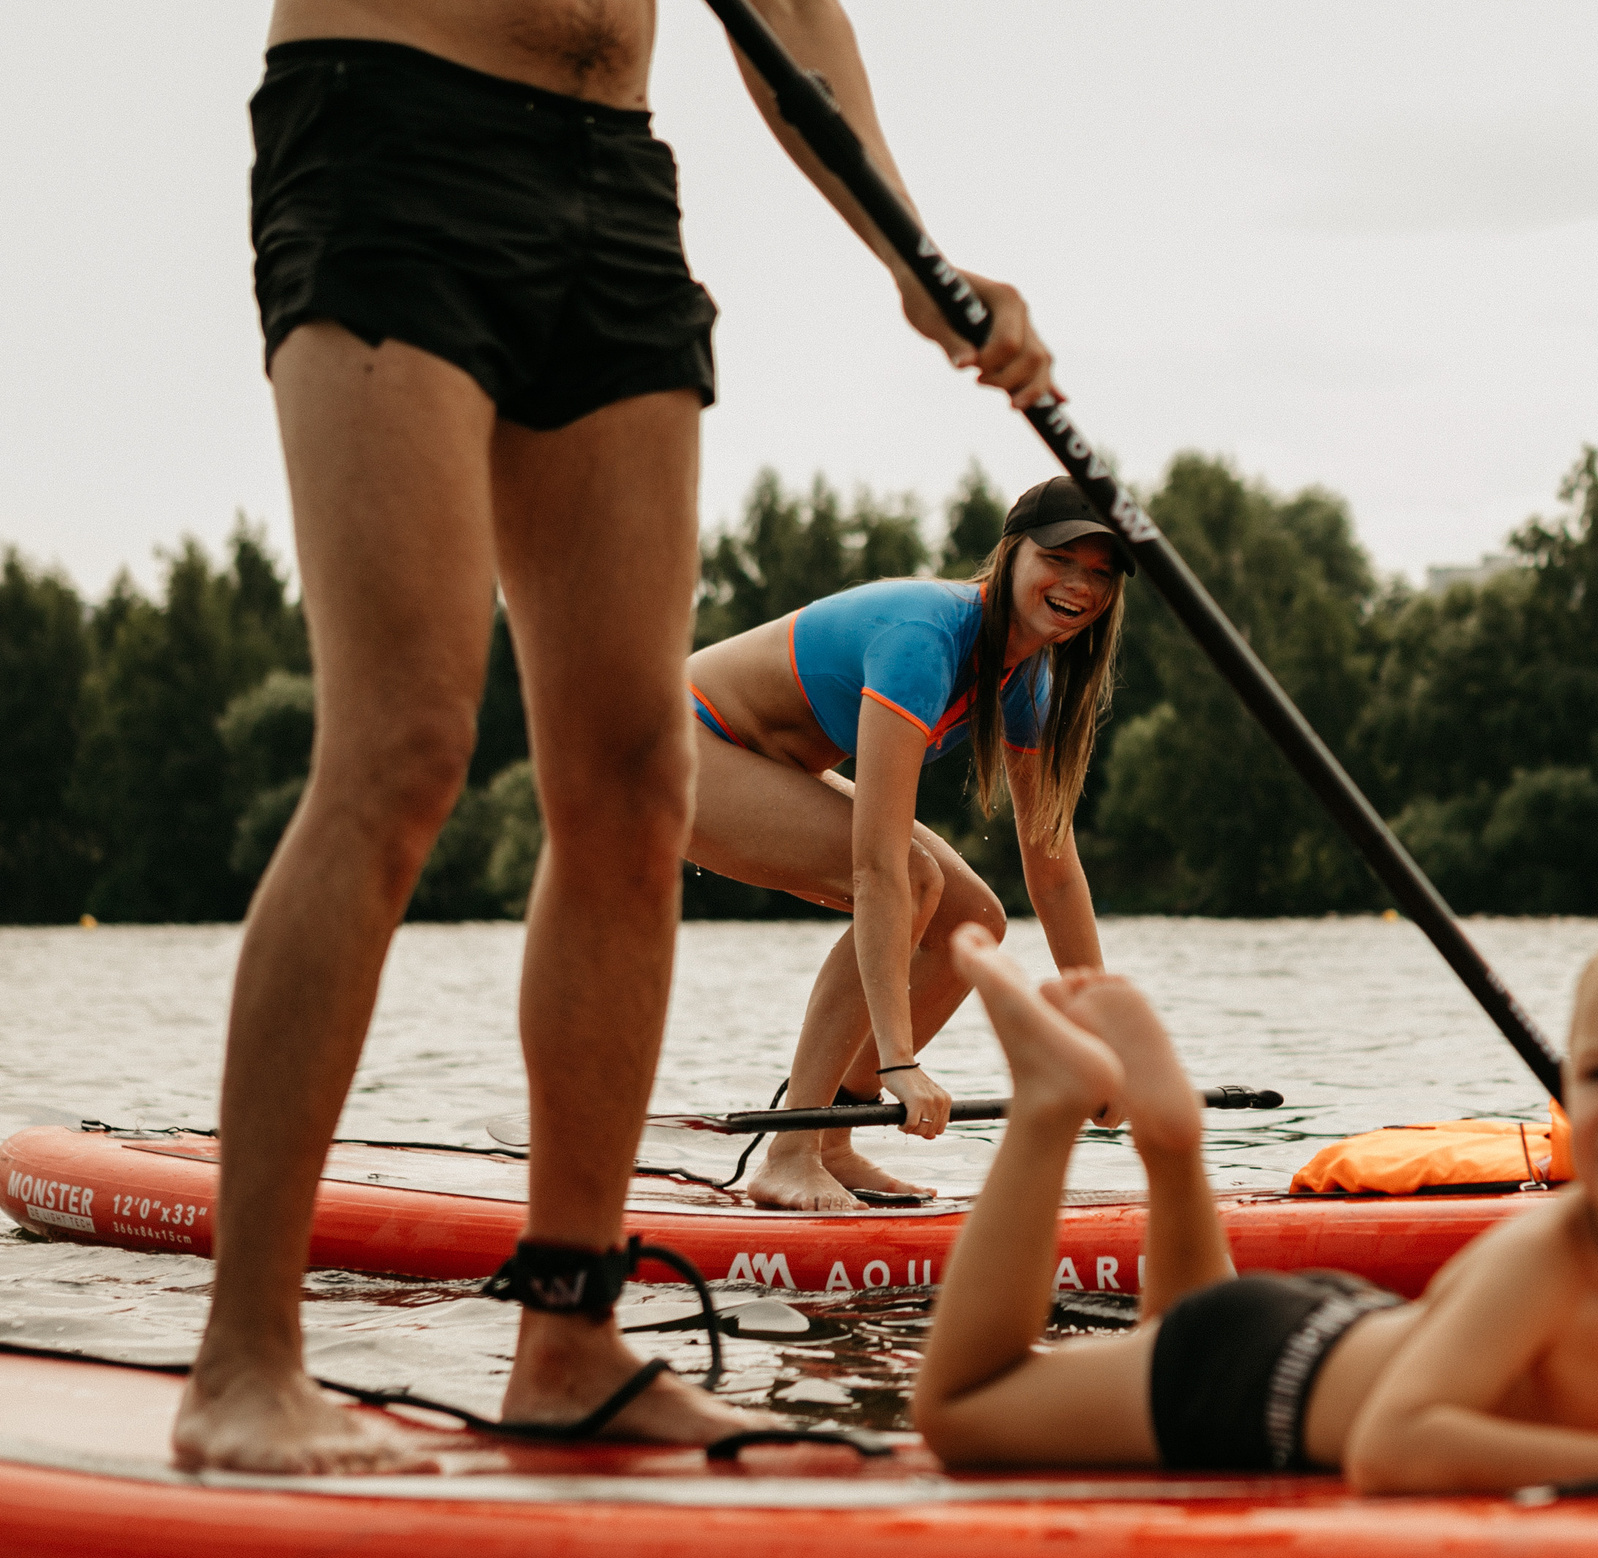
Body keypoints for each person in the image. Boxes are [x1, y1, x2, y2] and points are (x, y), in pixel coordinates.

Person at [174, 0, 1057, 1475]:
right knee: (401, 750)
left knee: (639, 781)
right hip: (391, 127)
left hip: (611, 179)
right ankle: (247, 1360)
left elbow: (791, 17)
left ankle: (569, 1341)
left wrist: (913, 250)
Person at [913, 906, 1598, 1489]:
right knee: (962, 1412)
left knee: (1170, 1329)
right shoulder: (1553, 1254)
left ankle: (1172, 1138)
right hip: (1265, 1383)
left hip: (1324, 1328)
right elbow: (1394, 1448)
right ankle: (1052, 1105)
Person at [683, 477, 1129, 1208]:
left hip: (752, 765)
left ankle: (830, 1140)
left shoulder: (1027, 682)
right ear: (1011, 553)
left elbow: (1051, 866)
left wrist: (1105, 1039)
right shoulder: (925, 638)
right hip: (669, 749)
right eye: (1060, 559)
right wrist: (899, 1062)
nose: (1079, 584)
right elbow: (878, 869)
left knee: (973, 924)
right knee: (912, 878)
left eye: (1101, 573)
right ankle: (790, 1153)